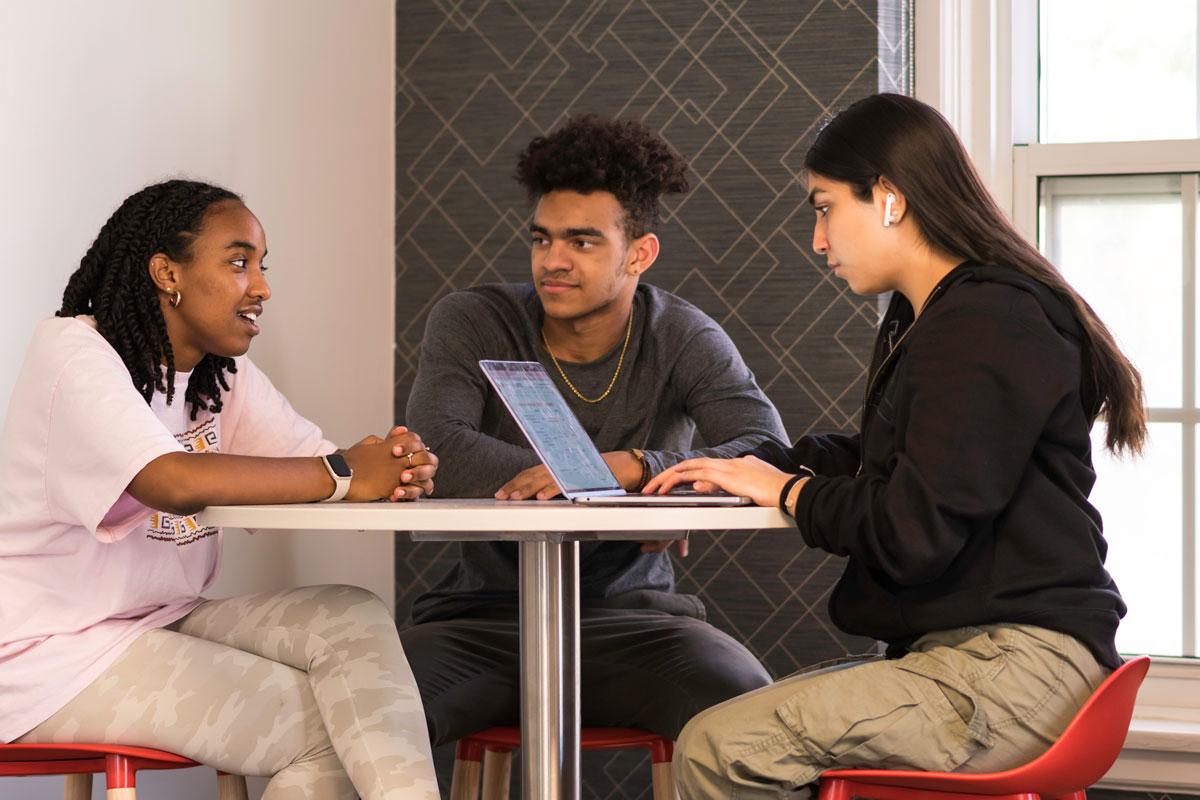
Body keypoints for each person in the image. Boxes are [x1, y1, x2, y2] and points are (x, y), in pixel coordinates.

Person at [645, 94, 1143, 798]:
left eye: (823, 207)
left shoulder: (986, 318)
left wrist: (789, 493)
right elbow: (900, 461)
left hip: (1017, 667)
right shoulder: (942, 316)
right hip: (988, 658)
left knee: (714, 748)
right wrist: (758, 470)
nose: (817, 240)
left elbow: (914, 528)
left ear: (887, 198)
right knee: (730, 730)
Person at [0, 179, 441, 800]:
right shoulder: (75, 352)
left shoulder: (218, 375)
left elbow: (314, 466)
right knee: (330, 731)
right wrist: (346, 471)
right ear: (165, 273)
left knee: (349, 613)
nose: (260, 287)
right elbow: (171, 479)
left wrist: (391, 467)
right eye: (238, 263)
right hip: (48, 657)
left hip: (161, 620)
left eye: (261, 267)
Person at [401, 115, 787, 747]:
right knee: (351, 717)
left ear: (639, 252)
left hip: (633, 623)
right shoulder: (474, 320)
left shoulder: (682, 335)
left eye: (582, 243)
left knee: (758, 728)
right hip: (481, 622)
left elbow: (767, 448)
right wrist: (633, 501)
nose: (552, 262)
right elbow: (440, 445)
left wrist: (633, 467)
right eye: (542, 239)